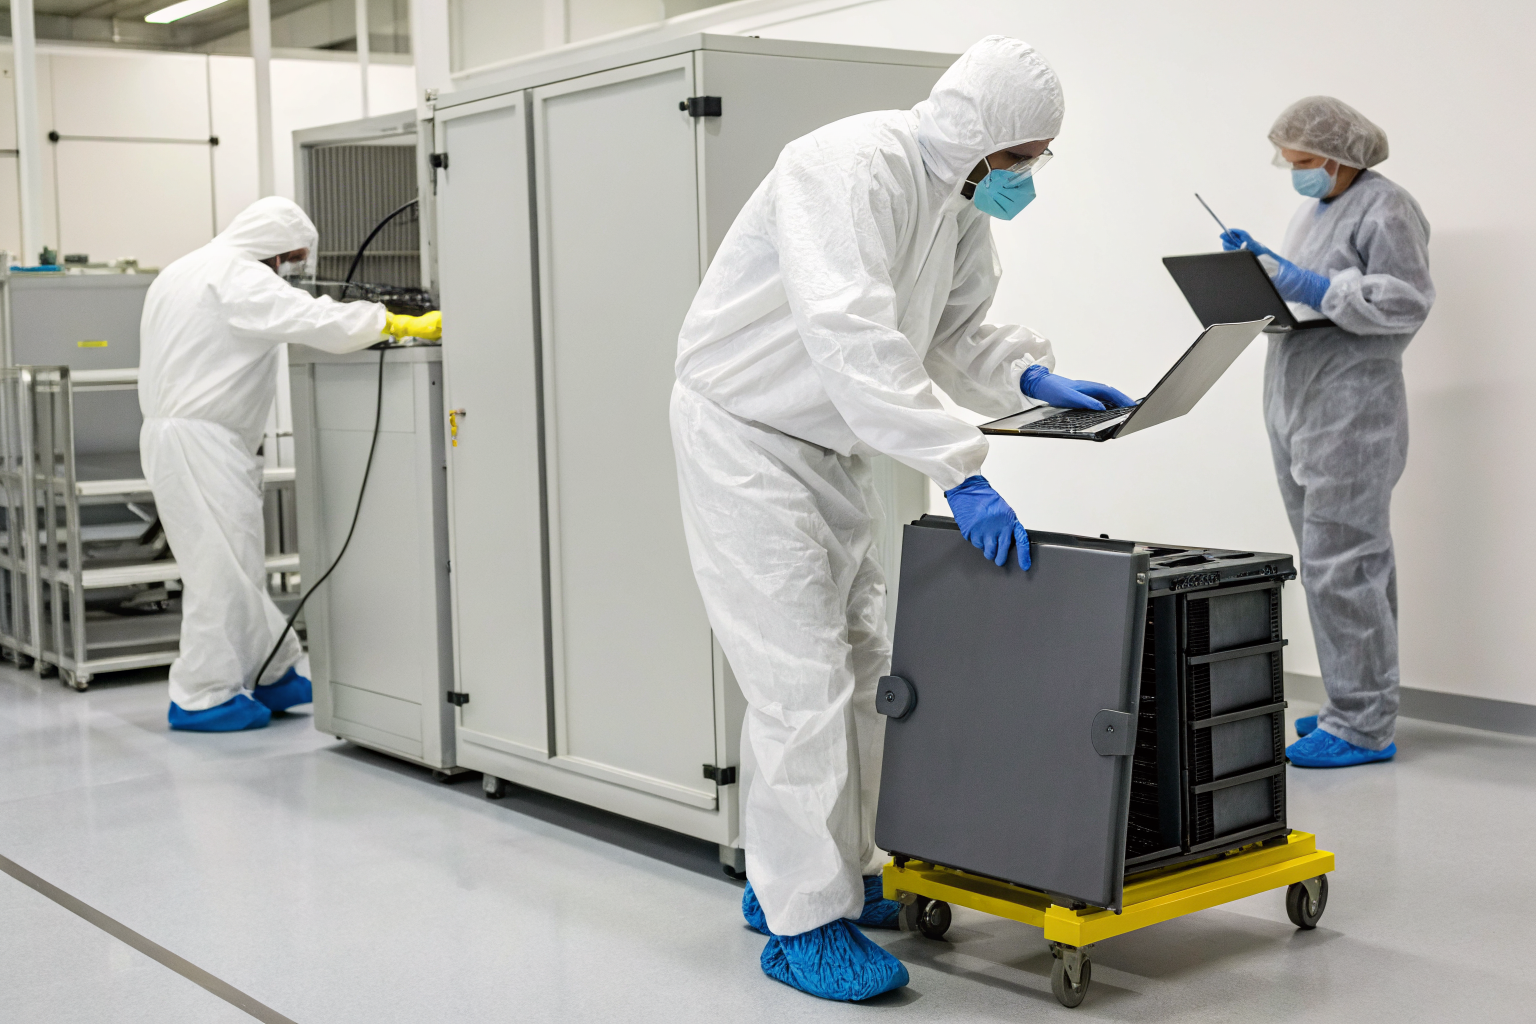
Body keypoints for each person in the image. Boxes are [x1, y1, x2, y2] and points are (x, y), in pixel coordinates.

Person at [670, 36, 1131, 1001]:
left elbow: (958, 329)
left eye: (1035, 160)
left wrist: (1029, 375)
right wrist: (961, 469)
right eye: (1019, 160)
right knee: (799, 687)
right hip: (745, 439)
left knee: (869, 666)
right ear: (977, 138)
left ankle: (824, 874)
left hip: (826, 449)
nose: (1024, 179)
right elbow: (850, 334)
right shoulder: (845, 168)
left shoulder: (956, 203)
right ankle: (801, 923)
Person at [140, 196, 441, 733]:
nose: (291, 269)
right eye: (291, 258)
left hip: (190, 436)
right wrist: (393, 322)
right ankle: (200, 695)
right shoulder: (236, 277)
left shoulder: (185, 269)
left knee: (236, 562)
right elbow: (310, 316)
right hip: (201, 439)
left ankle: (272, 671)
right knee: (218, 572)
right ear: (273, 251)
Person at [1218, 96, 1433, 769]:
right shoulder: (1314, 209)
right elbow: (1311, 292)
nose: (1295, 171)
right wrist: (1266, 274)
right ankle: (1350, 701)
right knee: (1328, 564)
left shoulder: (1387, 206)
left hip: (1351, 407)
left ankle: (1366, 725)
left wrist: (1313, 282)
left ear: (1343, 157)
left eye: (1305, 160)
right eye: (1290, 160)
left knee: (1347, 564)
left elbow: (1405, 300)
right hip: (1299, 398)